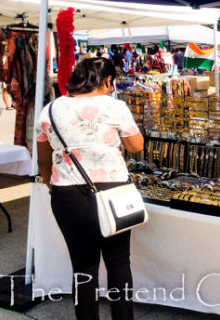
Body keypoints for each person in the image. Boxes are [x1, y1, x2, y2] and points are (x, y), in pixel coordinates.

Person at [36, 58, 144, 320]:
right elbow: (136, 146)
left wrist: (52, 184)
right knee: (118, 263)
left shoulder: (51, 109)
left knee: (83, 267)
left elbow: (42, 156)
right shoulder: (115, 106)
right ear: (108, 81)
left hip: (68, 194)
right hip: (113, 191)